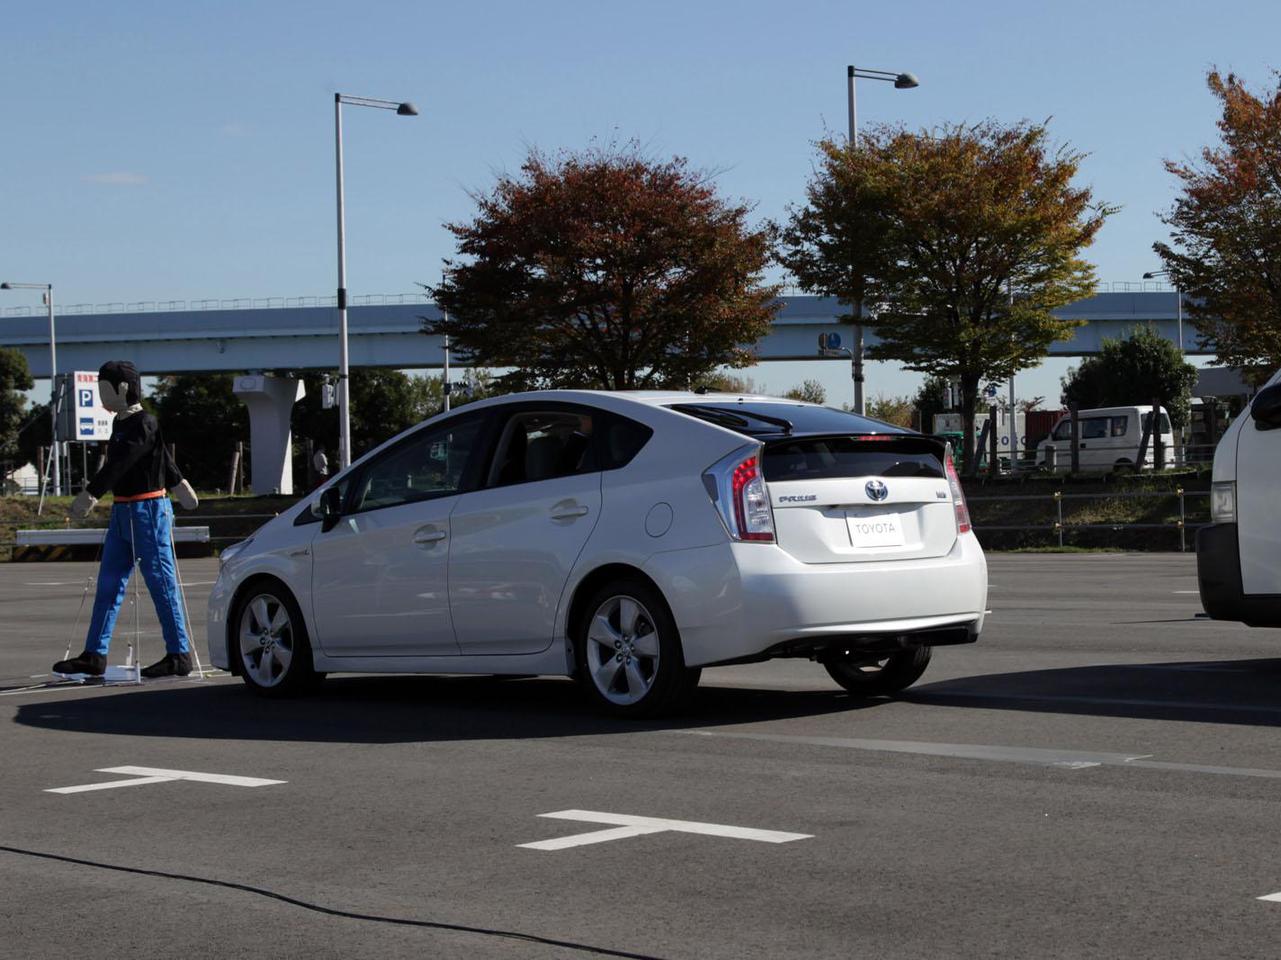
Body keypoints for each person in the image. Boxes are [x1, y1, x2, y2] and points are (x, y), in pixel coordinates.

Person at [52, 361, 201, 679]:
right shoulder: (121, 424)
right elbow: (160, 456)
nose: (100, 395)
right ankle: (94, 653)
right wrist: (181, 485)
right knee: (108, 584)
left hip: (148, 511)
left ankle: (179, 654)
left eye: (104, 389)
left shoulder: (144, 421)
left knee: (161, 583)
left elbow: (124, 461)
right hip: (123, 511)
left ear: (122, 389)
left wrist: (91, 493)